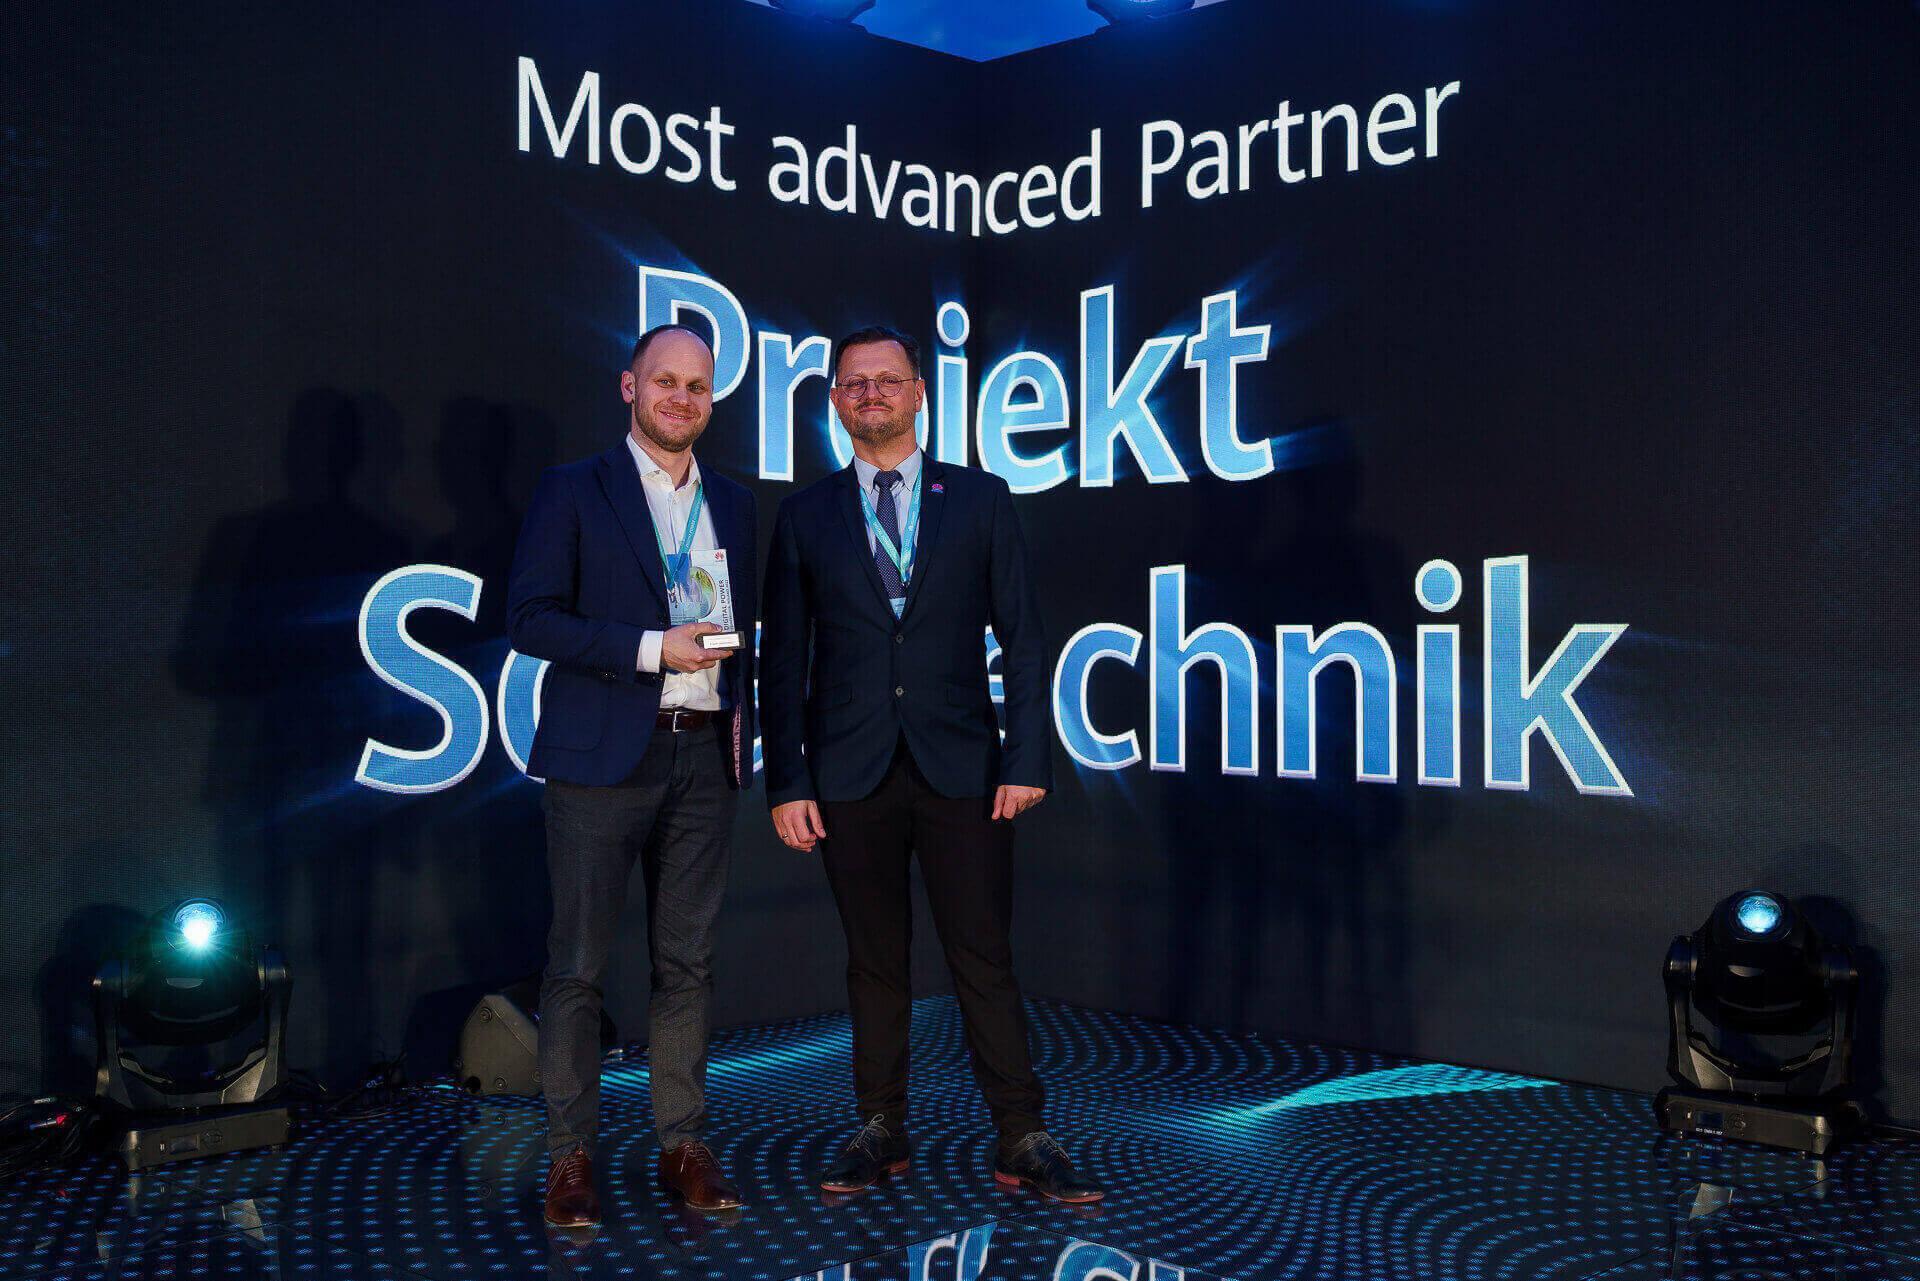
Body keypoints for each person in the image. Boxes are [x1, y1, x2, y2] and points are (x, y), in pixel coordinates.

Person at [759, 324, 1103, 1204]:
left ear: (919, 393)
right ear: (835, 402)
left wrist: (1027, 756)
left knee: (982, 956)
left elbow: (1025, 638)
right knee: (874, 961)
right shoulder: (804, 515)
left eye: (887, 379)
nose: (870, 393)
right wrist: (788, 781)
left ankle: (1022, 1132)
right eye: (854, 383)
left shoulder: (981, 498)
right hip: (848, 773)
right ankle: (880, 1126)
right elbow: (782, 659)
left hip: (966, 768)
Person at [507, 324, 756, 1226]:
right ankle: (569, 1155)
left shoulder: (736, 502)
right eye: (665, 381)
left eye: (697, 385)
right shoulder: (574, 488)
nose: (681, 398)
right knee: (577, 965)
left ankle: (682, 1142)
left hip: (705, 754)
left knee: (686, 964)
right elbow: (531, 617)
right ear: (629, 387)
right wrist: (653, 647)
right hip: (603, 757)